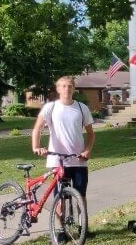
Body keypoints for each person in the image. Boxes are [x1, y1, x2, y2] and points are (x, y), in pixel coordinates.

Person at [31, 76, 95, 210]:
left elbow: (90, 133)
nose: (67, 89)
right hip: (57, 161)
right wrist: (36, 147)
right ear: (58, 89)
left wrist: (87, 150)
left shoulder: (82, 108)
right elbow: (38, 128)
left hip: (78, 160)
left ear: (74, 89)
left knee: (81, 195)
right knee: (60, 197)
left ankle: (83, 227)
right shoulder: (51, 107)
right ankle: (61, 229)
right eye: (64, 86)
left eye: (70, 86)